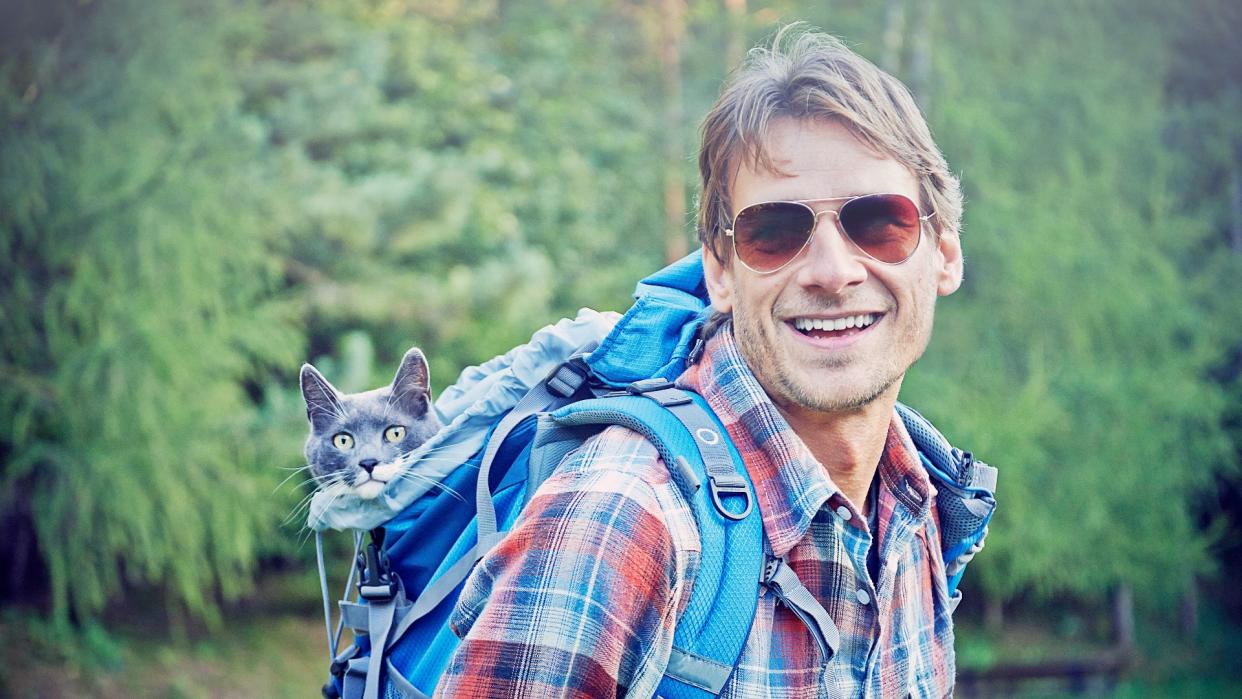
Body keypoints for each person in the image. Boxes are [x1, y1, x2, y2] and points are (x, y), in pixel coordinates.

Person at [435, 26, 967, 698]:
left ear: (943, 253)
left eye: (879, 223)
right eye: (773, 232)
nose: (832, 272)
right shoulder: (621, 516)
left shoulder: (918, 505)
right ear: (719, 270)